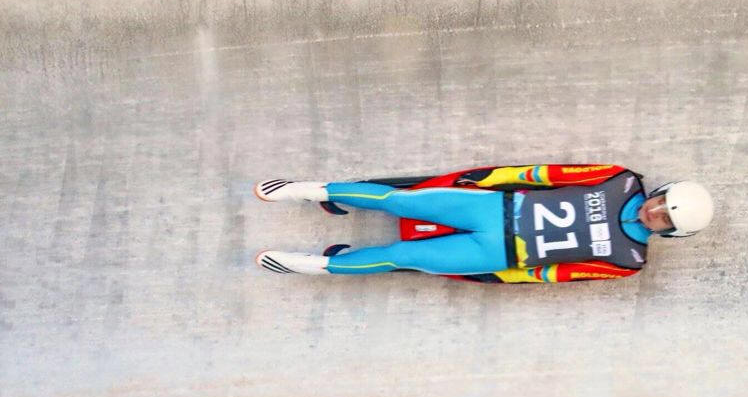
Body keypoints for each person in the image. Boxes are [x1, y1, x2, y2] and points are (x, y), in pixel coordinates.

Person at [254, 164, 713, 282]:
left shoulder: (629, 260)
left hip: (494, 253)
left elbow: (555, 274)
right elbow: (543, 175)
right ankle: (311, 189)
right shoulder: (620, 180)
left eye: (664, 219)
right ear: (661, 190)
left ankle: (317, 266)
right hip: (492, 209)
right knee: (399, 201)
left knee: (399, 257)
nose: (654, 212)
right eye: (662, 202)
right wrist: (488, 180)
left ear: (670, 233)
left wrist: (499, 275)